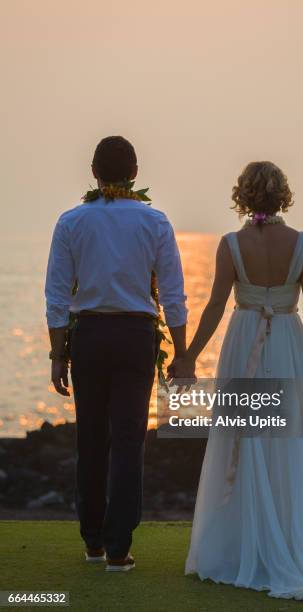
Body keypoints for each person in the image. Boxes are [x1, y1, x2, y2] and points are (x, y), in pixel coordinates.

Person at [172, 161, 303, 602]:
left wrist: (188, 357)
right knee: (294, 443)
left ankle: (248, 546)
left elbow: (215, 306)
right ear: (283, 195)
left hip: (244, 343)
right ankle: (301, 546)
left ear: (243, 196)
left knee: (247, 439)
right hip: (287, 342)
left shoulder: (230, 244)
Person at [45, 136, 187, 571]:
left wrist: (57, 355)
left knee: (91, 438)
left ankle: (92, 542)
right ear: (135, 173)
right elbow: (174, 295)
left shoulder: (71, 222)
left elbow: (55, 296)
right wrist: (182, 353)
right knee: (129, 441)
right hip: (135, 335)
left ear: (93, 172)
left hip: (87, 335)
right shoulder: (155, 222)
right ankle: (118, 548)